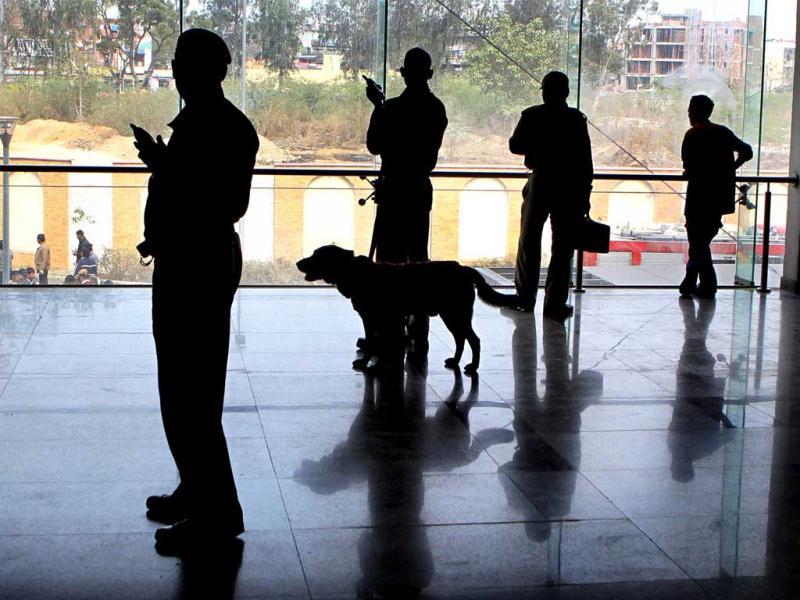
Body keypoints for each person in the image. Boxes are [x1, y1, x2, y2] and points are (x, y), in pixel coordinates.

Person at [133, 28, 259, 554]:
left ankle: (216, 513)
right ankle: (197, 489)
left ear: (206, 69)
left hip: (196, 266)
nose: (174, 67)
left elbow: (222, 203)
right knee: (187, 389)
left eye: (182, 60)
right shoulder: (210, 124)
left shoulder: (221, 128)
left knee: (191, 393)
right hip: (191, 262)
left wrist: (165, 168)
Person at [365, 47, 448, 361]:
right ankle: (419, 330)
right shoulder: (436, 109)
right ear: (429, 73)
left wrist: (379, 107)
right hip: (417, 187)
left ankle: (389, 328)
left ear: (402, 73)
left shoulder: (391, 109)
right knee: (418, 259)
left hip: (394, 188)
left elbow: (375, 145)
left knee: (388, 261)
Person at [508, 71, 593, 322]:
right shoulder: (576, 119)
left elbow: (515, 146)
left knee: (529, 241)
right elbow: (585, 160)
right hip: (568, 187)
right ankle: (555, 303)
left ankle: (525, 297)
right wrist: (585, 192)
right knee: (563, 246)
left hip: (540, 181)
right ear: (566, 92)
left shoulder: (532, 115)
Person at [680, 95, 753, 298]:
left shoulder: (692, 135)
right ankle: (699, 283)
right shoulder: (722, 133)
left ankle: (700, 283)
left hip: (697, 196)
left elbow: (688, 167)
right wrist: (730, 170)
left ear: (694, 112)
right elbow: (747, 151)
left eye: (690, 110)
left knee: (697, 241)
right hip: (718, 196)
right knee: (701, 241)